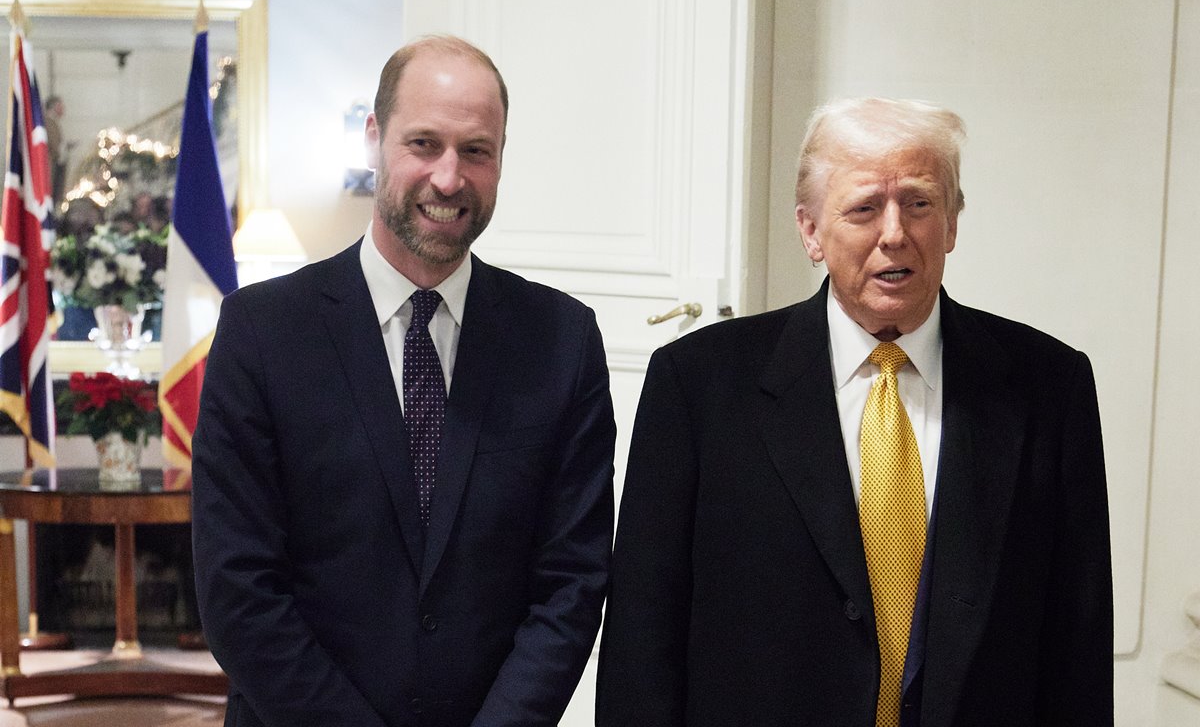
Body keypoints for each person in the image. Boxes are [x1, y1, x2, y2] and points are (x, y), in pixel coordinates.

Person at [595, 97, 1113, 726]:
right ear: (811, 231)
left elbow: (1077, 642)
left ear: (951, 223)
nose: (895, 232)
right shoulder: (699, 384)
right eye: (864, 207)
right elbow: (641, 639)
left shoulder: (1049, 387)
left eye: (919, 203)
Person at [192, 35, 616, 727]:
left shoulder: (562, 343)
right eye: (423, 144)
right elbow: (238, 590)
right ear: (373, 140)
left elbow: (570, 583)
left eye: (476, 151)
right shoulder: (261, 335)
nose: (448, 178)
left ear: (501, 159)